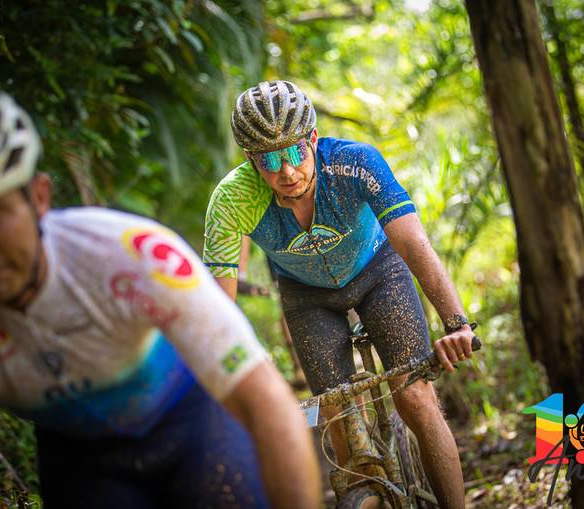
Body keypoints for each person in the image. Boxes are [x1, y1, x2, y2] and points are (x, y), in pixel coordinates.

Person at [0, 87, 321, 509]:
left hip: (191, 425)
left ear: (40, 197)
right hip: (80, 460)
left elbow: (266, 403)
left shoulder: (130, 255)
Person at [203, 80, 477, 508]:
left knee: (415, 396)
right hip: (307, 297)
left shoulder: (356, 163)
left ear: (313, 139)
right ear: (249, 160)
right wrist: (227, 379)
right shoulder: (231, 200)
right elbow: (220, 304)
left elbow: (413, 243)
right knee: (340, 417)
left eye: (295, 152)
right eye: (269, 160)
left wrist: (456, 323)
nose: (287, 172)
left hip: (379, 272)